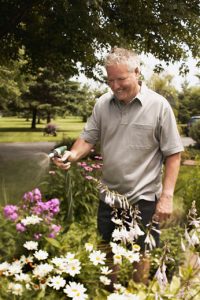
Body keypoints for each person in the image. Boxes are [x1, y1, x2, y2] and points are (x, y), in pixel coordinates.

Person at [53, 47, 184, 287]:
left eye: (120, 79)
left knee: (141, 255)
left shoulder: (159, 106)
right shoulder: (102, 104)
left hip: (144, 198)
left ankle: (137, 293)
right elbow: (87, 139)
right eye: (110, 80)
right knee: (107, 253)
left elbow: (173, 154)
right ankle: (109, 293)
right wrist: (71, 155)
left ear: (137, 72)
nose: (114, 86)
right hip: (109, 196)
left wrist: (166, 196)